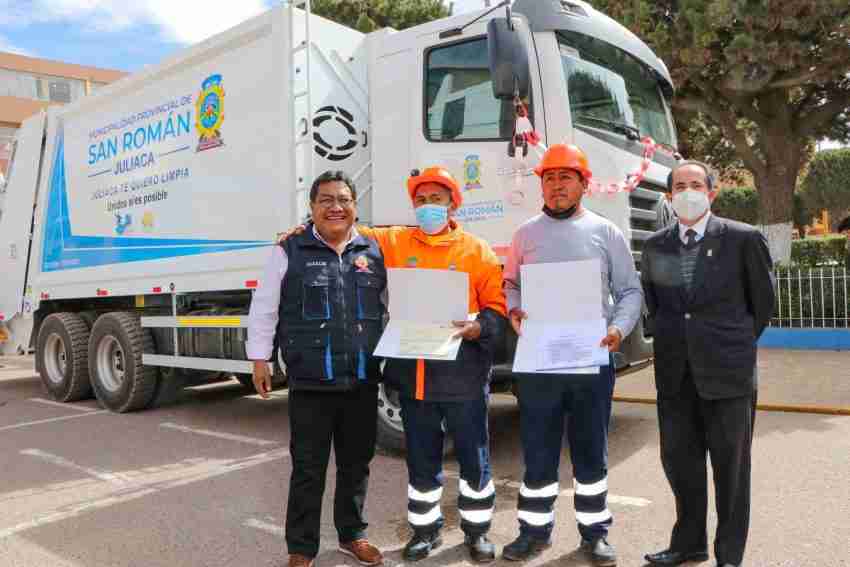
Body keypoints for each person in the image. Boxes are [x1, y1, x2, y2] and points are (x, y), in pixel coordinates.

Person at [278, 166, 507, 563]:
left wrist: (479, 327)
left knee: (474, 459)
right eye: (421, 200)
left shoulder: (477, 250)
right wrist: (302, 230)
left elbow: (496, 308)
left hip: (464, 378)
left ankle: (477, 532)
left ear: (453, 204)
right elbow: (341, 225)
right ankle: (425, 531)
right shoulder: (394, 240)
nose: (428, 206)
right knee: (422, 463)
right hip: (416, 380)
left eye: (436, 199)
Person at [502, 144, 644, 567]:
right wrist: (513, 310)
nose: (556, 185)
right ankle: (533, 532)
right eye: (549, 178)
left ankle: (594, 534)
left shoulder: (605, 232)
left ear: (584, 184)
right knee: (538, 450)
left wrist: (618, 328)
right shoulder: (525, 235)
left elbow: (630, 291)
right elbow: (510, 284)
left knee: (590, 450)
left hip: (590, 360)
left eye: (566, 177)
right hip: (540, 362)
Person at [247, 170, 387, 567]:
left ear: (355, 205)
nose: (335, 207)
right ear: (311, 207)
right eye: (325, 200)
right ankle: (301, 548)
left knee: (356, 464)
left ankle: (352, 534)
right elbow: (265, 307)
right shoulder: (288, 250)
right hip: (311, 381)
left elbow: (392, 304)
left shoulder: (374, 250)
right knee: (308, 469)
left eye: (343, 199)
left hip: (361, 377)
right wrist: (260, 359)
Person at [641, 161, 775, 567]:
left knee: (731, 470)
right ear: (669, 196)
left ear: (711, 192)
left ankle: (728, 555)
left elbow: (762, 305)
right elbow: (656, 305)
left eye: (696, 184)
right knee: (681, 465)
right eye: (679, 186)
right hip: (675, 376)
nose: (688, 192)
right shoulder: (656, 245)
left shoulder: (743, 238)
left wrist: (728, 345)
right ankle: (688, 544)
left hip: (728, 375)